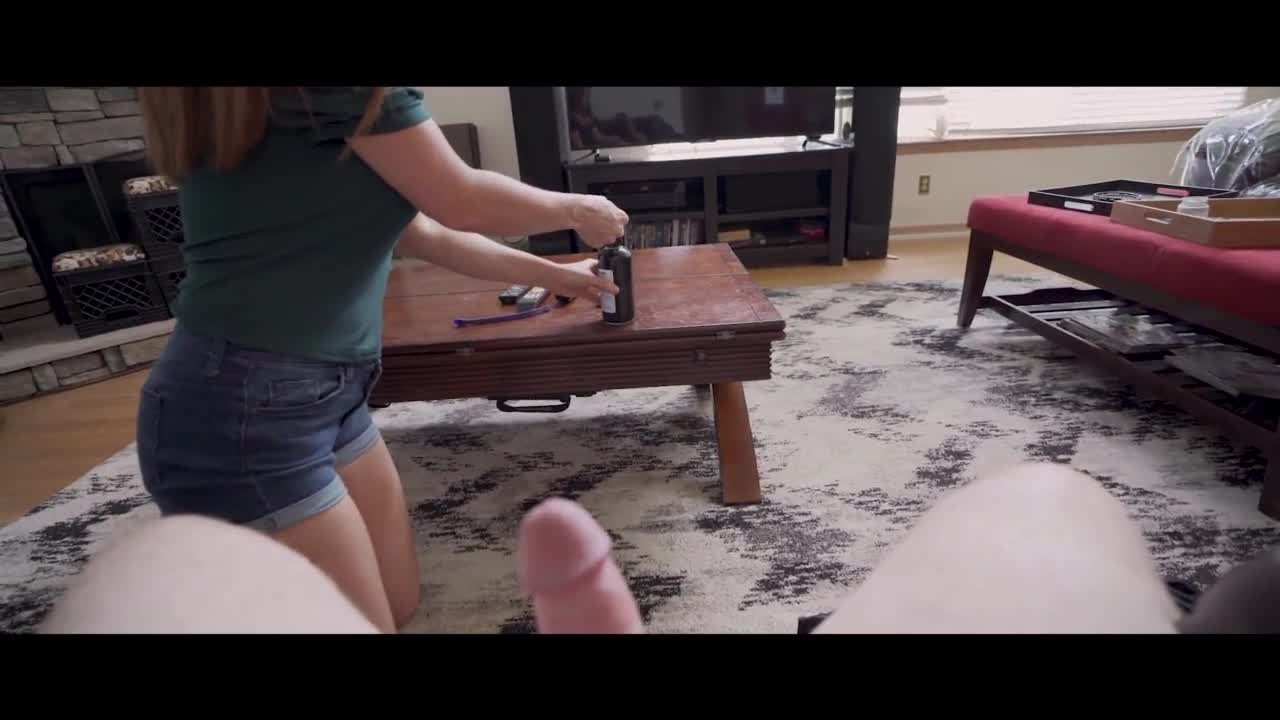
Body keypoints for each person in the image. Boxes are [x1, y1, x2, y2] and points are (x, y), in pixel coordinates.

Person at [132, 87, 629, 633]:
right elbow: (460, 199)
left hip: (331, 393)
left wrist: (556, 276)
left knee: (397, 604)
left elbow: (424, 232)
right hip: (241, 408)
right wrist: (578, 208)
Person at [49, 462, 1273, 635]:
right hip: (269, 406)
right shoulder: (366, 106)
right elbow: (457, 207)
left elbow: (440, 229)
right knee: (1046, 490)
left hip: (313, 394)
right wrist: (575, 215)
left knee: (173, 555)